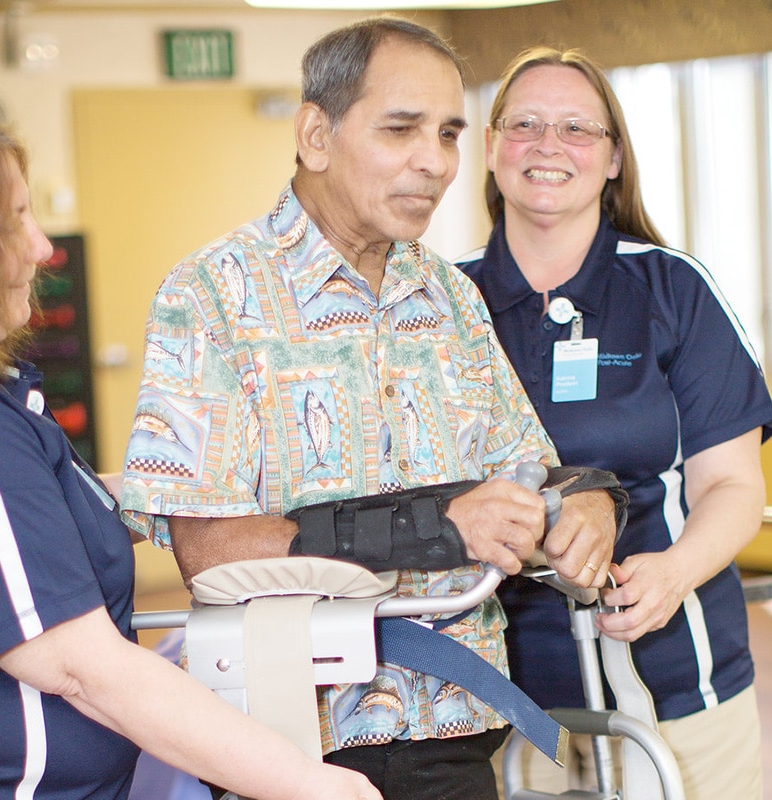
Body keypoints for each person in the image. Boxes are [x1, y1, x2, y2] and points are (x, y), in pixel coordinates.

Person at [0, 111, 379, 800]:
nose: (42, 248)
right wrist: (315, 786)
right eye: (15, 220)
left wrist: (234, 484)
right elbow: (84, 668)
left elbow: (26, 512)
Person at [120, 19, 626, 800]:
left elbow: (525, 470)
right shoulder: (212, 296)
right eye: (401, 129)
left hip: (458, 730)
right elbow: (211, 552)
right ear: (315, 135)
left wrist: (583, 498)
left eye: (450, 134)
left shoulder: (452, 297)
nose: (435, 162)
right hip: (292, 743)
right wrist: (438, 527)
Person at [457, 47, 772, 799]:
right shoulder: (445, 304)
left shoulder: (674, 289)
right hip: (498, 691)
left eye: (576, 128)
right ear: (494, 146)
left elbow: (733, 485)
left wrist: (673, 572)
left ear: (613, 159)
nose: (548, 144)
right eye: (525, 123)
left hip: (676, 678)